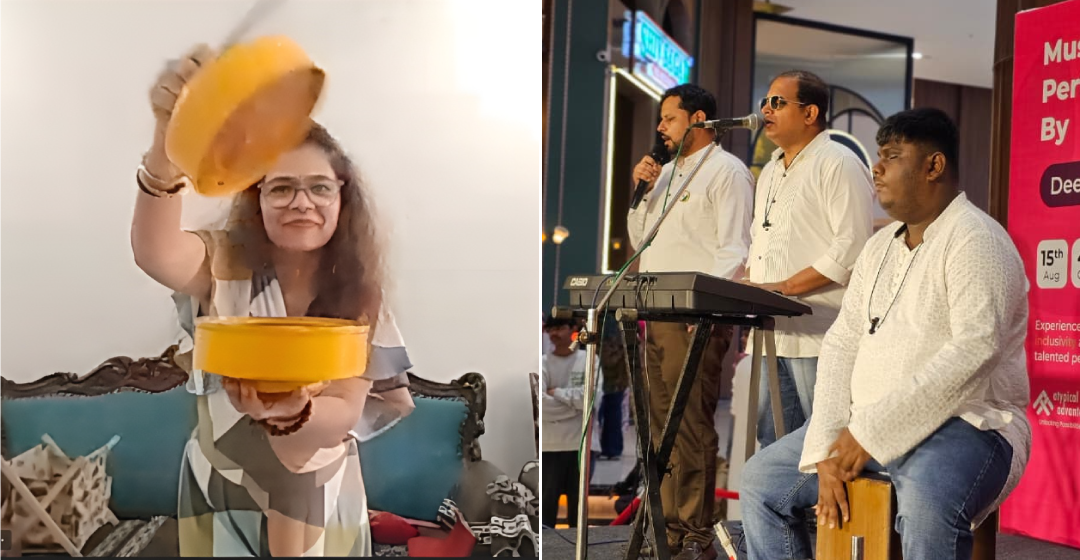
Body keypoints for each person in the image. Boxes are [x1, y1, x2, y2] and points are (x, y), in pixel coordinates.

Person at [132, 45, 413, 557]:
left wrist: (296, 411)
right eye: (280, 188)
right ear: (255, 200)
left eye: (319, 188)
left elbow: (344, 411)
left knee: (301, 467)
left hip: (320, 495)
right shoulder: (220, 262)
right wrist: (166, 145)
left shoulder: (359, 294)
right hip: (222, 489)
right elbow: (155, 253)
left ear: (341, 201)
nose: (301, 202)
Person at [739, 108, 1031, 560]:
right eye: (879, 155)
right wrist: (826, 447)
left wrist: (869, 434)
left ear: (934, 166)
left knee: (927, 504)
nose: (876, 167)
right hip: (867, 426)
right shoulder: (879, 247)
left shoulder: (977, 240)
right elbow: (842, 343)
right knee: (760, 482)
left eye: (892, 156)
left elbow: (975, 351)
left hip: (972, 423)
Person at [627, 83, 754, 560]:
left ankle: (697, 530)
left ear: (698, 119)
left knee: (691, 424)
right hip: (655, 310)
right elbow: (641, 239)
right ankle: (669, 529)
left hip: (694, 316)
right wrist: (641, 188)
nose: (659, 126)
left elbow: (734, 250)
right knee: (659, 424)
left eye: (669, 118)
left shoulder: (727, 171)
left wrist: (704, 309)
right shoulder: (663, 173)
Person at [743, 70, 874, 446]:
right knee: (772, 445)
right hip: (770, 333)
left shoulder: (839, 163)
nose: (766, 109)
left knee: (823, 447)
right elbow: (760, 243)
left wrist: (782, 288)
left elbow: (850, 250)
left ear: (810, 113)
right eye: (765, 102)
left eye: (777, 102)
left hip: (820, 335)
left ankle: (828, 510)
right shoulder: (769, 171)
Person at [540, 316, 601, 530]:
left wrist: (556, 392)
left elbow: (592, 398)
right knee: (547, 509)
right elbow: (541, 406)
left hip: (580, 445)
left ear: (573, 329)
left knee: (578, 509)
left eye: (560, 328)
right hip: (550, 446)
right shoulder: (543, 363)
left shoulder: (589, 360)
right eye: (551, 329)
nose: (555, 334)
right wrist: (575, 405)